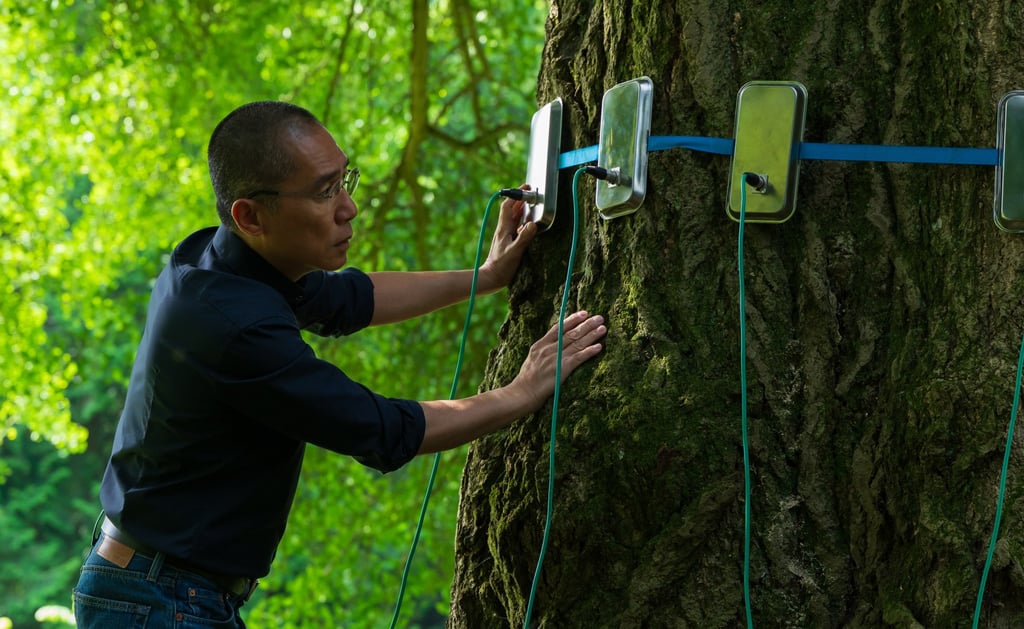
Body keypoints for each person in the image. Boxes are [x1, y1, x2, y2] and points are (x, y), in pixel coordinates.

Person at [72, 100, 606, 627]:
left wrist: (484, 278)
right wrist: (521, 392)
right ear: (250, 215)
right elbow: (380, 427)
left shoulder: (222, 262)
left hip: (163, 589)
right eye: (325, 191)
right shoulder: (233, 327)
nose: (348, 207)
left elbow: (350, 300)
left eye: (344, 178)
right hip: (157, 601)